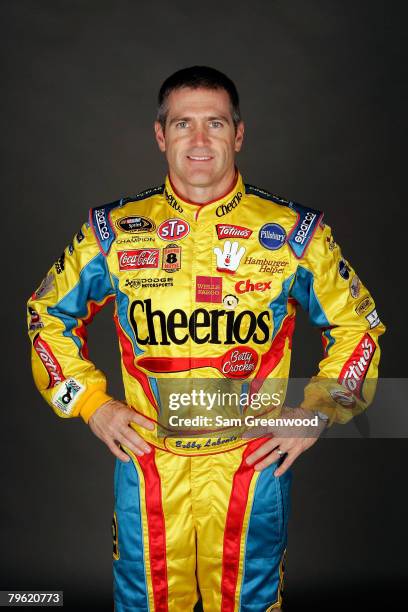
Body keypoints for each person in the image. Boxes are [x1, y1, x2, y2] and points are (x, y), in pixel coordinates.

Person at [27, 66, 385, 612]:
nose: (198, 141)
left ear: (237, 134)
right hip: (150, 465)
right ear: (159, 135)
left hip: (248, 469)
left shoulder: (293, 233)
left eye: (214, 124)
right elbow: (45, 315)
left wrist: (317, 412)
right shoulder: (113, 230)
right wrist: (94, 405)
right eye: (182, 125)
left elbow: (358, 327)